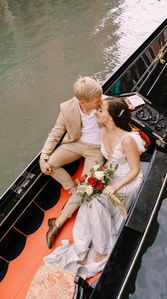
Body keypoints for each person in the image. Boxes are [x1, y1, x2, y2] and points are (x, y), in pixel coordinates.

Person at [44, 97, 146, 278]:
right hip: (112, 173)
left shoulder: (127, 140)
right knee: (88, 194)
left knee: (97, 199)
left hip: (127, 180)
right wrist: (98, 176)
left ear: (111, 117)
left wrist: (114, 186)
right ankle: (83, 245)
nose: (96, 113)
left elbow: (135, 170)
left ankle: (102, 249)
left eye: (100, 111)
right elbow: (109, 162)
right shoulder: (103, 132)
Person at [39, 76, 104, 249]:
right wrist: (43, 157)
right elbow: (55, 133)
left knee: (88, 186)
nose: (101, 101)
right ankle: (72, 190)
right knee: (49, 166)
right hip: (75, 143)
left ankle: (57, 223)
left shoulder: (104, 103)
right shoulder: (67, 108)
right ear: (83, 101)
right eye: (97, 100)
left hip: (96, 149)